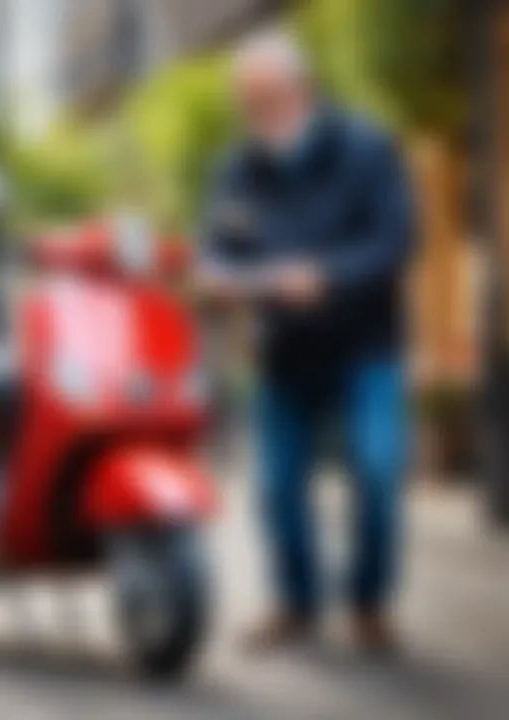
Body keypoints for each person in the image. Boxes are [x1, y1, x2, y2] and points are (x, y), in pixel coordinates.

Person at [197, 29, 416, 652]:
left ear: (306, 90)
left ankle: (369, 601)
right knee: (275, 489)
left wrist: (327, 276)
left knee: (376, 473)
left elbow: (396, 241)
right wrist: (215, 279)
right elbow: (216, 248)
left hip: (363, 348)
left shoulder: (367, 148)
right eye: (248, 102)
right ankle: (296, 603)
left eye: (269, 97)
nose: (258, 113)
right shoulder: (237, 170)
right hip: (282, 352)